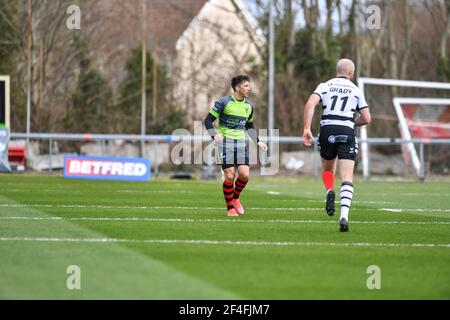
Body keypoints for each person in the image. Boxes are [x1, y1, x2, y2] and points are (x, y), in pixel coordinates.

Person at [302, 58, 371, 232]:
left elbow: (310, 103)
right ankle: (344, 217)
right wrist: (351, 122)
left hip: (327, 130)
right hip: (346, 130)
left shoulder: (324, 85)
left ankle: (329, 190)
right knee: (347, 177)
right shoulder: (355, 90)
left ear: (336, 71)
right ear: (351, 73)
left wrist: (306, 128)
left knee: (328, 169)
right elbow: (367, 118)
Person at [204, 75, 268, 216]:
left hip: (240, 143)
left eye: (249, 85)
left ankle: (236, 198)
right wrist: (215, 135)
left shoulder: (249, 106)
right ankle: (230, 208)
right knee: (229, 176)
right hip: (225, 143)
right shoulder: (223, 102)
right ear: (237, 88)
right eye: (246, 86)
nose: (249, 88)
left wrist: (258, 141)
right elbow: (208, 121)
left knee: (244, 176)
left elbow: (249, 125)